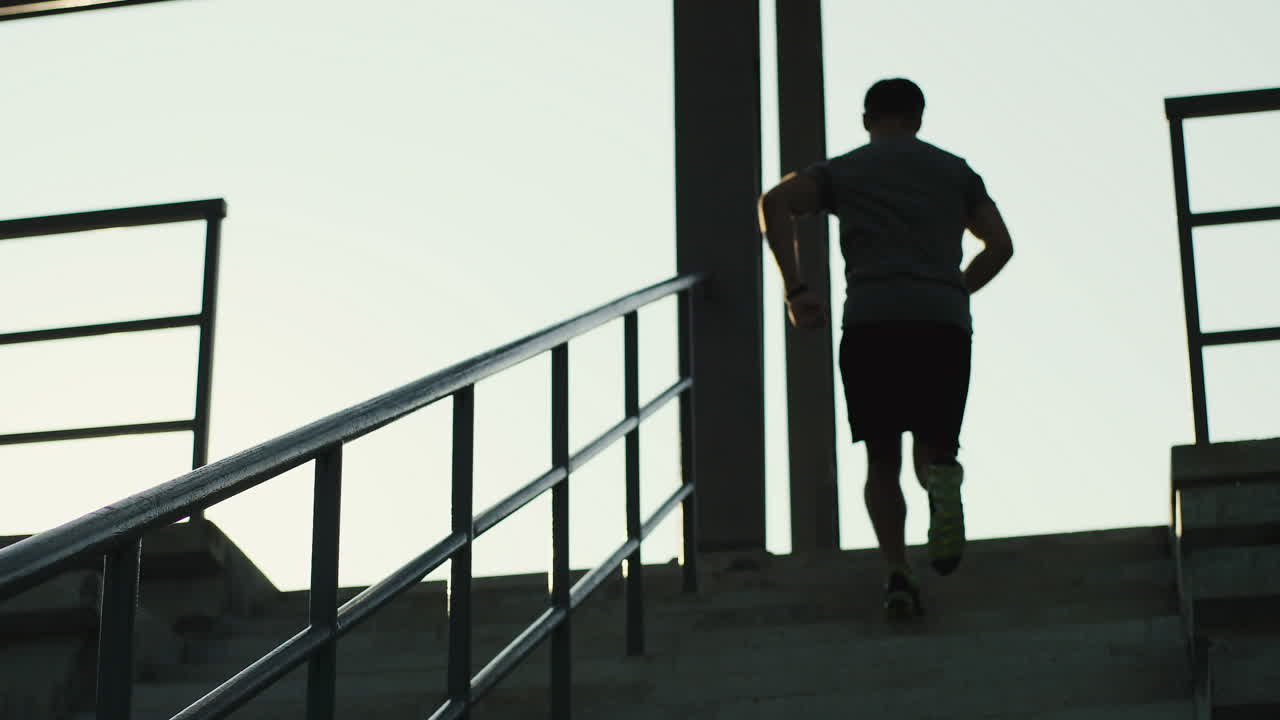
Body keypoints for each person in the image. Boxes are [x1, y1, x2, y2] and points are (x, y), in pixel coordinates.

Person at [757, 78, 1014, 621]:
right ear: (918, 118)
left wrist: (796, 290)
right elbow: (1000, 245)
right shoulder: (955, 171)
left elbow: (774, 204)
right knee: (935, 446)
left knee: (882, 458)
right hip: (941, 322)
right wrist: (956, 288)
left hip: (873, 321)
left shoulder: (845, 171)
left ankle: (898, 572)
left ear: (866, 119)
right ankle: (942, 480)